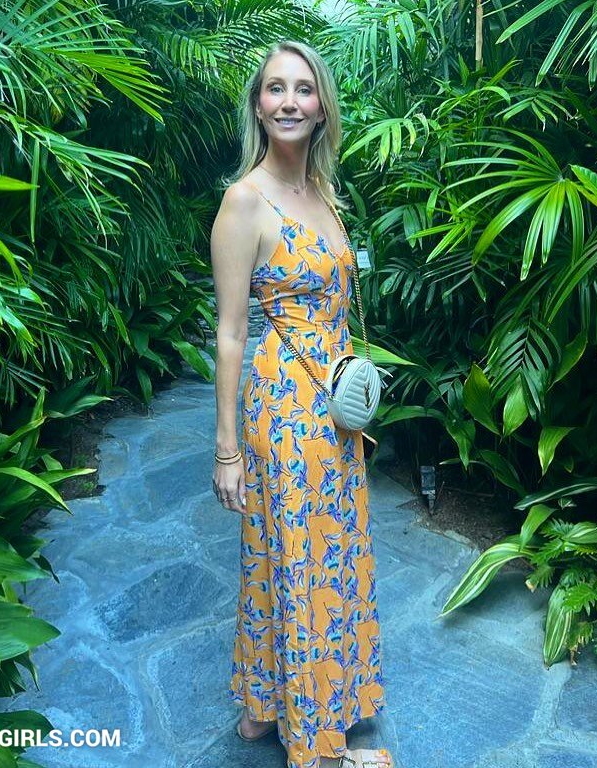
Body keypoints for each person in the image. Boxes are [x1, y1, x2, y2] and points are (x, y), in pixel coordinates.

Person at [210, 40, 392, 768]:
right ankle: (318, 746)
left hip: (336, 405)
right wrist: (226, 451)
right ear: (259, 106)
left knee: (308, 553)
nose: (289, 101)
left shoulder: (324, 192)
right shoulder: (244, 201)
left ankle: (265, 706)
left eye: (303, 89)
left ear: (322, 108)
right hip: (285, 411)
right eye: (275, 89)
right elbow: (229, 333)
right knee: (300, 558)